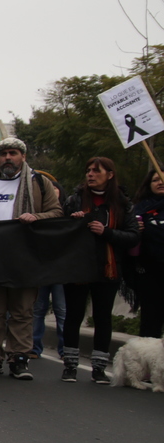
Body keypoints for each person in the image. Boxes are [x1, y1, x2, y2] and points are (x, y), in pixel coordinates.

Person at [0, 137, 62, 380]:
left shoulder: (38, 182)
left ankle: (19, 359)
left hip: (24, 258)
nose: (8, 158)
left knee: (22, 311)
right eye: (3, 154)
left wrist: (36, 217)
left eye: (13, 153)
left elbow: (56, 213)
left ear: (23, 156)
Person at [61, 157, 139, 384]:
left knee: (103, 317)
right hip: (78, 268)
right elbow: (59, 233)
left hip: (109, 268)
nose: (90, 174)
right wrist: (72, 222)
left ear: (110, 175)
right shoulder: (75, 200)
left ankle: (99, 368)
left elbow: (133, 236)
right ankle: (70, 366)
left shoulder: (123, 203)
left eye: (96, 171)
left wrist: (106, 232)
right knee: (73, 315)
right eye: (88, 171)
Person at [130, 168, 164, 339]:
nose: (160, 182)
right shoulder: (139, 209)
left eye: (162, 178)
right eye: (155, 180)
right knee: (151, 324)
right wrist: (136, 232)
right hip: (149, 274)